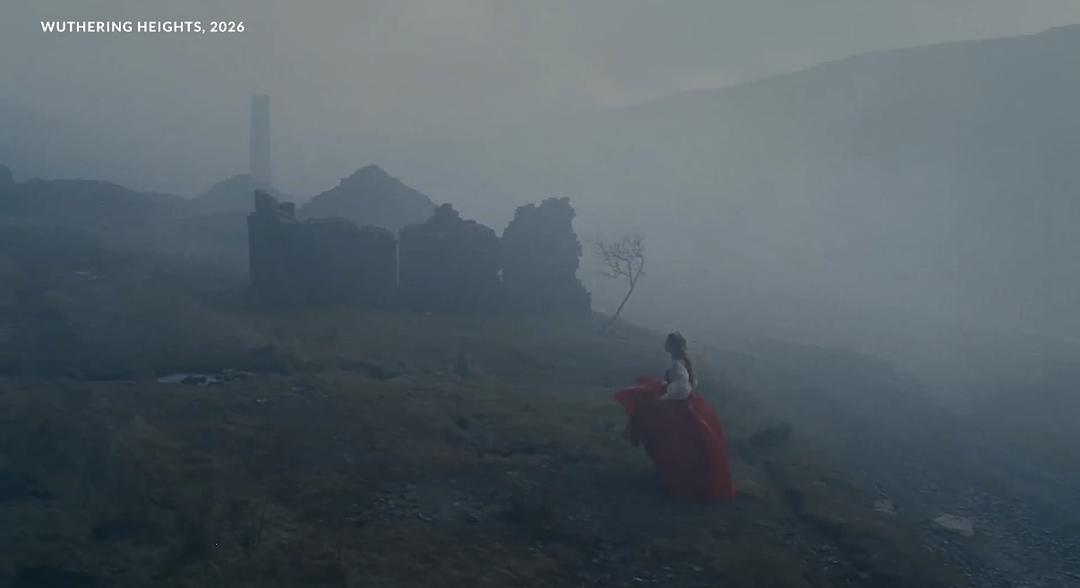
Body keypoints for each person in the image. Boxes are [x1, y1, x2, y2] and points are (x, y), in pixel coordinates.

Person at [614, 332, 736, 502]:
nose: (665, 345)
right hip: (688, 403)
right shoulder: (684, 361)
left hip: (679, 406)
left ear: (672, 346)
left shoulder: (677, 364)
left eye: (667, 343)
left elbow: (683, 388)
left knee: (664, 436)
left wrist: (664, 397)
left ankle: (674, 480)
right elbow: (690, 384)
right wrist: (668, 386)